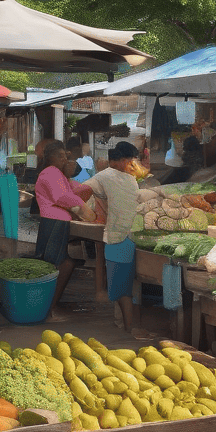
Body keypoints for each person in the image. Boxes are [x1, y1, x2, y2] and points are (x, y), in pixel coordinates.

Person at [84, 141, 151, 341]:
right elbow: (86, 191)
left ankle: (125, 324)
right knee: (123, 287)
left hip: (120, 236)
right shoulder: (109, 176)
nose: (133, 164)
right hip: (123, 236)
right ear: (121, 161)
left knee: (122, 286)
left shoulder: (123, 177)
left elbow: (83, 191)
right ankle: (130, 328)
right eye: (130, 160)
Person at [33, 140, 95, 321]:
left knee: (62, 263)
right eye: (59, 156)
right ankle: (48, 309)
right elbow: (63, 197)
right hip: (54, 222)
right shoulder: (50, 172)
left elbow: (78, 189)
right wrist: (85, 211)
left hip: (59, 222)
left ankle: (49, 307)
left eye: (64, 156)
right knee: (55, 264)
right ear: (49, 157)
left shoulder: (58, 174)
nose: (63, 160)